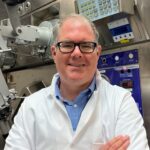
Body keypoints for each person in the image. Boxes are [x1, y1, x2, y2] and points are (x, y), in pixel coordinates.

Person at [4, 14, 149, 150]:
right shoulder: (31, 107)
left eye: (86, 45)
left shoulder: (121, 102)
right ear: (54, 53)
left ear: (97, 53)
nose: (77, 53)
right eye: (67, 45)